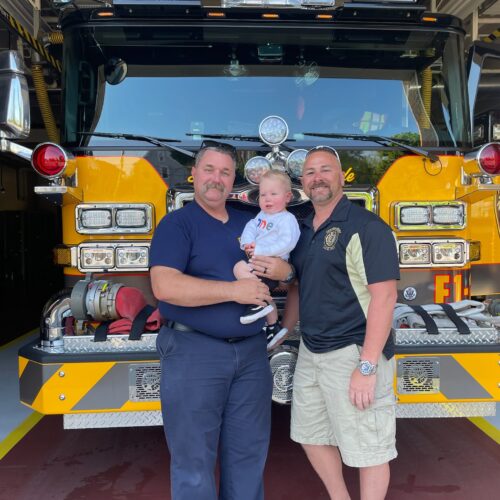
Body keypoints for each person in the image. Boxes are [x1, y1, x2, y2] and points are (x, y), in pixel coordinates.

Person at [251, 146, 399, 500]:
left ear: (341, 176)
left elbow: (385, 298)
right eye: (310, 172)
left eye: (325, 170)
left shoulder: (367, 227)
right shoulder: (303, 230)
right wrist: (285, 329)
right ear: (302, 183)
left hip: (353, 351)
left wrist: (366, 366)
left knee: (369, 447)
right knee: (310, 435)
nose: (317, 178)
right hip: (312, 350)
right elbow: (299, 284)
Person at [149, 140, 273, 500]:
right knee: (193, 463)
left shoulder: (250, 223)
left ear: (234, 179)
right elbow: (165, 286)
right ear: (194, 174)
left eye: (225, 172)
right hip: (193, 353)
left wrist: (284, 273)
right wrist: (234, 291)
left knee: (248, 457)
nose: (216, 178)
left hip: (251, 355)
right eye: (209, 169)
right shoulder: (177, 225)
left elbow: (281, 268)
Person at [234, 170, 300, 350]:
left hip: (271, 266)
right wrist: (247, 243)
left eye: (273, 194)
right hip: (257, 260)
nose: (267, 199)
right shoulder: (261, 217)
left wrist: (260, 249)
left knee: (240, 269)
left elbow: (287, 243)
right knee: (242, 270)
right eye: (263, 195)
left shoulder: (287, 219)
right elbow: (250, 228)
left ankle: (256, 304)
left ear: (287, 197)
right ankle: (273, 327)